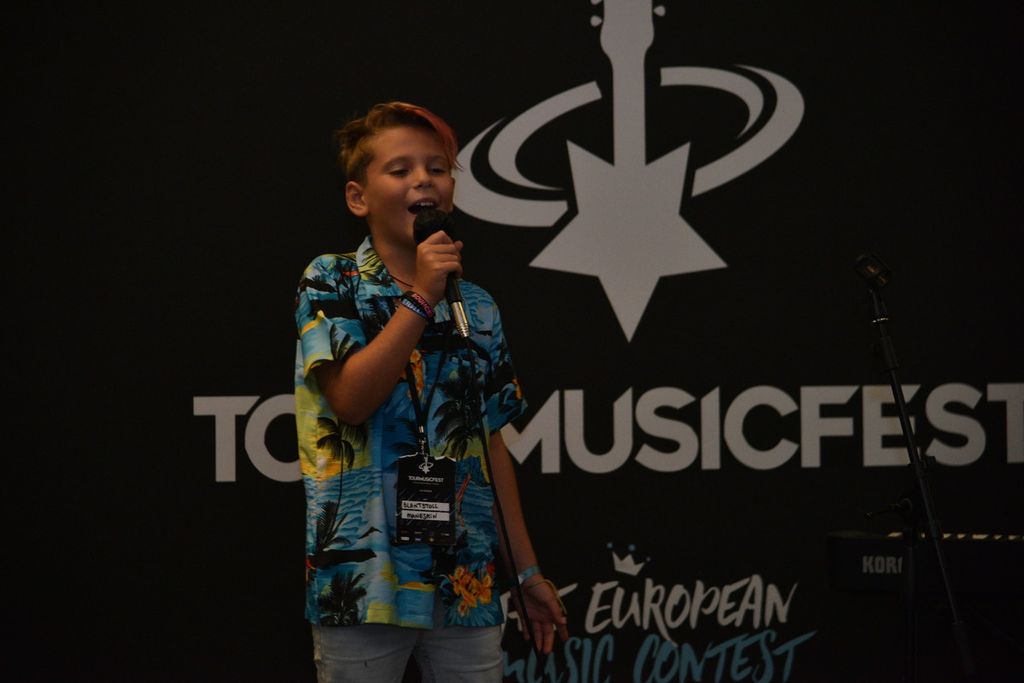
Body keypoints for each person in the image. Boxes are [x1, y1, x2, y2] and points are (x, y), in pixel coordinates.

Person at [294, 101, 568, 683]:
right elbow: (351, 401)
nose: (423, 179)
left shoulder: (478, 306)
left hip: (465, 579)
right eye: (400, 170)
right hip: (364, 580)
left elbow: (490, 444)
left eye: (437, 168)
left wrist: (526, 573)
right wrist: (421, 297)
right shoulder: (330, 280)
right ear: (358, 197)